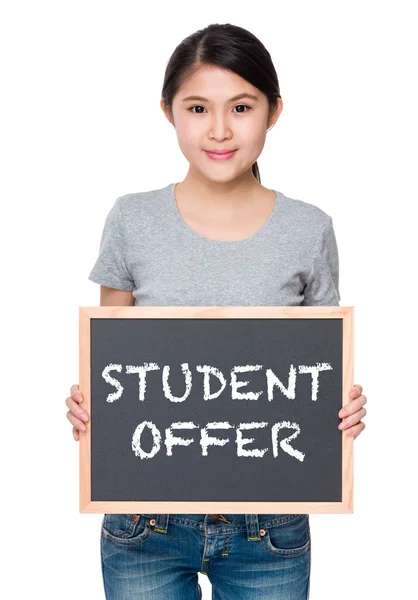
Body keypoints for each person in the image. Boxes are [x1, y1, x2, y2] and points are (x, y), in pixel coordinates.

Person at [66, 22, 367, 600]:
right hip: (142, 522)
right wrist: (88, 405)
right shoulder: (131, 220)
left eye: (242, 107)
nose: (220, 130)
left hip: (269, 527)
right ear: (169, 111)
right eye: (199, 107)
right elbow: (112, 361)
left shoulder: (309, 229)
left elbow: (320, 370)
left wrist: (344, 413)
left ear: (274, 111)